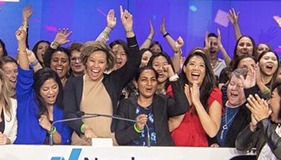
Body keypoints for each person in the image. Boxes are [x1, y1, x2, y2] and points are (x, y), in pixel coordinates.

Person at [61, 9, 139, 144]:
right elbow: (69, 113)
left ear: (107, 64)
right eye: (92, 60)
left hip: (110, 143)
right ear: (85, 61)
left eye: (101, 62)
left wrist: (129, 30)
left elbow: (134, 62)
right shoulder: (74, 83)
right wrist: (84, 128)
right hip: (82, 142)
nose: (96, 66)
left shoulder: (113, 81)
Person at [14, 12, 71, 145]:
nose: (51, 92)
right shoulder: (27, 100)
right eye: (45, 89)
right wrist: (21, 44)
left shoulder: (62, 108)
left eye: (54, 87)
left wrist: (50, 128)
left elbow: (64, 141)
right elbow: (24, 73)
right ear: (38, 90)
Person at [115, 65, 184, 146]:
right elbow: (120, 138)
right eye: (144, 80)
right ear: (136, 84)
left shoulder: (164, 101)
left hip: (161, 156)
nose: (149, 83)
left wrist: (173, 77)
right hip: (135, 156)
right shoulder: (125, 104)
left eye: (153, 80)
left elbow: (182, 107)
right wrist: (136, 128)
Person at [169, 50, 222, 146]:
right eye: (192, 64)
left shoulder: (214, 93)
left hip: (199, 152)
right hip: (174, 149)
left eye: (201, 65)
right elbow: (169, 127)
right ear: (184, 68)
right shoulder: (174, 90)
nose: (196, 68)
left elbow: (212, 131)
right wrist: (185, 105)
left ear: (206, 71)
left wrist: (196, 102)